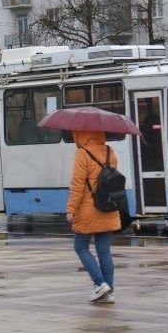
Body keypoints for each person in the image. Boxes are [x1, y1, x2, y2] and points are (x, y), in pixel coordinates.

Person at [66, 130, 121, 304]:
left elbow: (78, 185)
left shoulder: (82, 153)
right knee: (104, 250)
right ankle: (109, 292)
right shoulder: (108, 151)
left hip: (88, 209)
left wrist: (71, 209)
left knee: (80, 246)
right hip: (108, 207)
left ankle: (100, 283)